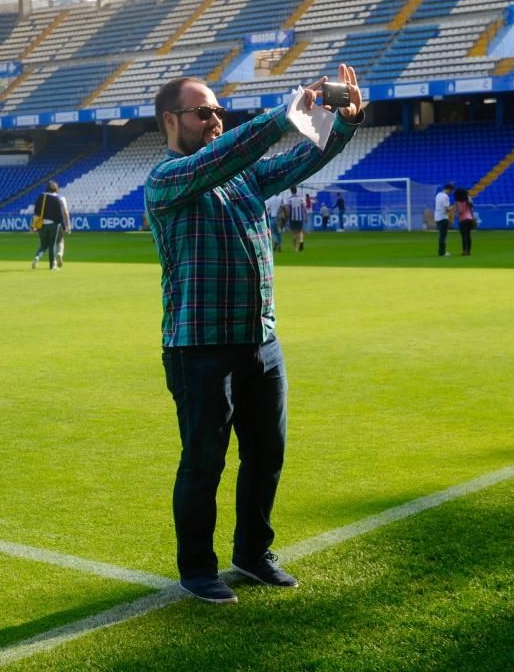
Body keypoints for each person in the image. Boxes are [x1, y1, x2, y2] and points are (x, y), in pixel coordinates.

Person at [145, 65, 363, 604]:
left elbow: (299, 160)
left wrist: (344, 127)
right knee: (204, 462)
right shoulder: (167, 179)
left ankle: (252, 552)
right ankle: (197, 568)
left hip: (260, 342)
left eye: (220, 110)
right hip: (199, 348)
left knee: (266, 454)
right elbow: (225, 157)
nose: (216, 119)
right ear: (172, 121)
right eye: (204, 112)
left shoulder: (242, 176)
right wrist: (283, 114)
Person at [30, 180, 70, 270]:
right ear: (56, 188)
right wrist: (64, 227)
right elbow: (60, 215)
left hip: (41, 225)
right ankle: (52, 266)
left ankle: (37, 257)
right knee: (52, 245)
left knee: (43, 245)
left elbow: (36, 212)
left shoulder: (41, 197)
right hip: (53, 225)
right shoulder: (57, 198)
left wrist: (33, 226)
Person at [454, 187, 475, 256]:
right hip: (470, 218)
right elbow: (471, 209)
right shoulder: (468, 200)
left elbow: (460, 211)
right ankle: (469, 251)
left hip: (463, 219)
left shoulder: (458, 202)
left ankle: (464, 250)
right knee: (468, 235)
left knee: (464, 236)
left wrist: (455, 213)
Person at [434, 182, 453, 256]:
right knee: (443, 236)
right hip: (443, 217)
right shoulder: (445, 197)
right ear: (449, 189)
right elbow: (446, 209)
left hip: (437, 217)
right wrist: (452, 208)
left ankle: (441, 251)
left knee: (441, 235)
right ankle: (442, 252)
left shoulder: (438, 195)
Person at [286, 186, 307, 251]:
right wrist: (305, 216)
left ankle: (296, 248)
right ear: (296, 190)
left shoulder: (289, 199)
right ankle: (301, 241)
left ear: (291, 191)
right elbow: (304, 207)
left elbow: (288, 209)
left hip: (292, 218)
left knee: (293, 232)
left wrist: (287, 217)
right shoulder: (301, 198)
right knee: (300, 231)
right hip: (300, 217)